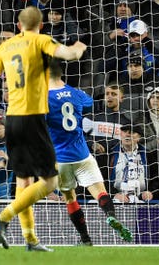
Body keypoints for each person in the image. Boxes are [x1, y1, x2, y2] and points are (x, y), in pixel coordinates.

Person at [0, 6, 87, 250]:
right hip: (33, 118)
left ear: (18, 25)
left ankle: (30, 239)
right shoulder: (41, 40)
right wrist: (79, 48)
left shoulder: (5, 46)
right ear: (42, 25)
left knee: (23, 181)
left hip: (11, 120)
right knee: (50, 182)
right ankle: (2, 217)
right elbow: (68, 55)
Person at [47, 60, 132, 245]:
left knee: (70, 198)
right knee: (100, 192)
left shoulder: (42, 98)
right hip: (82, 154)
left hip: (60, 158)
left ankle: (85, 239)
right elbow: (90, 103)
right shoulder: (76, 93)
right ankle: (110, 215)